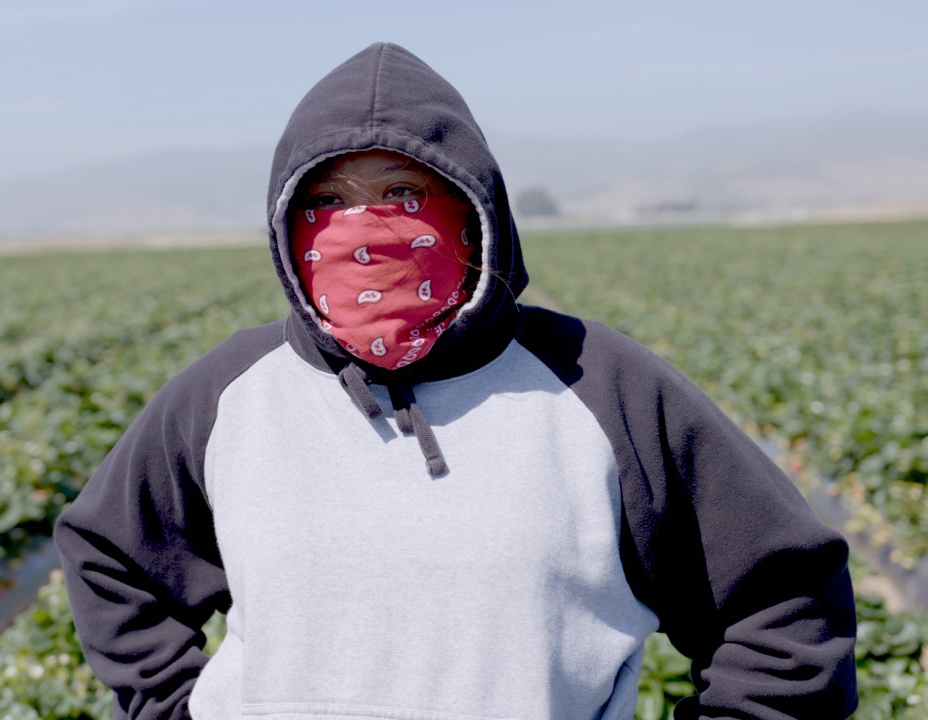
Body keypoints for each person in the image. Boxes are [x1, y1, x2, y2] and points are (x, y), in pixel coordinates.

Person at [54, 42, 858, 720]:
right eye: (327, 200)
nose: (364, 231)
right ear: (286, 223)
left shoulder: (598, 385)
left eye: (403, 193)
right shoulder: (230, 394)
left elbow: (783, 598)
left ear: (473, 211)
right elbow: (111, 556)